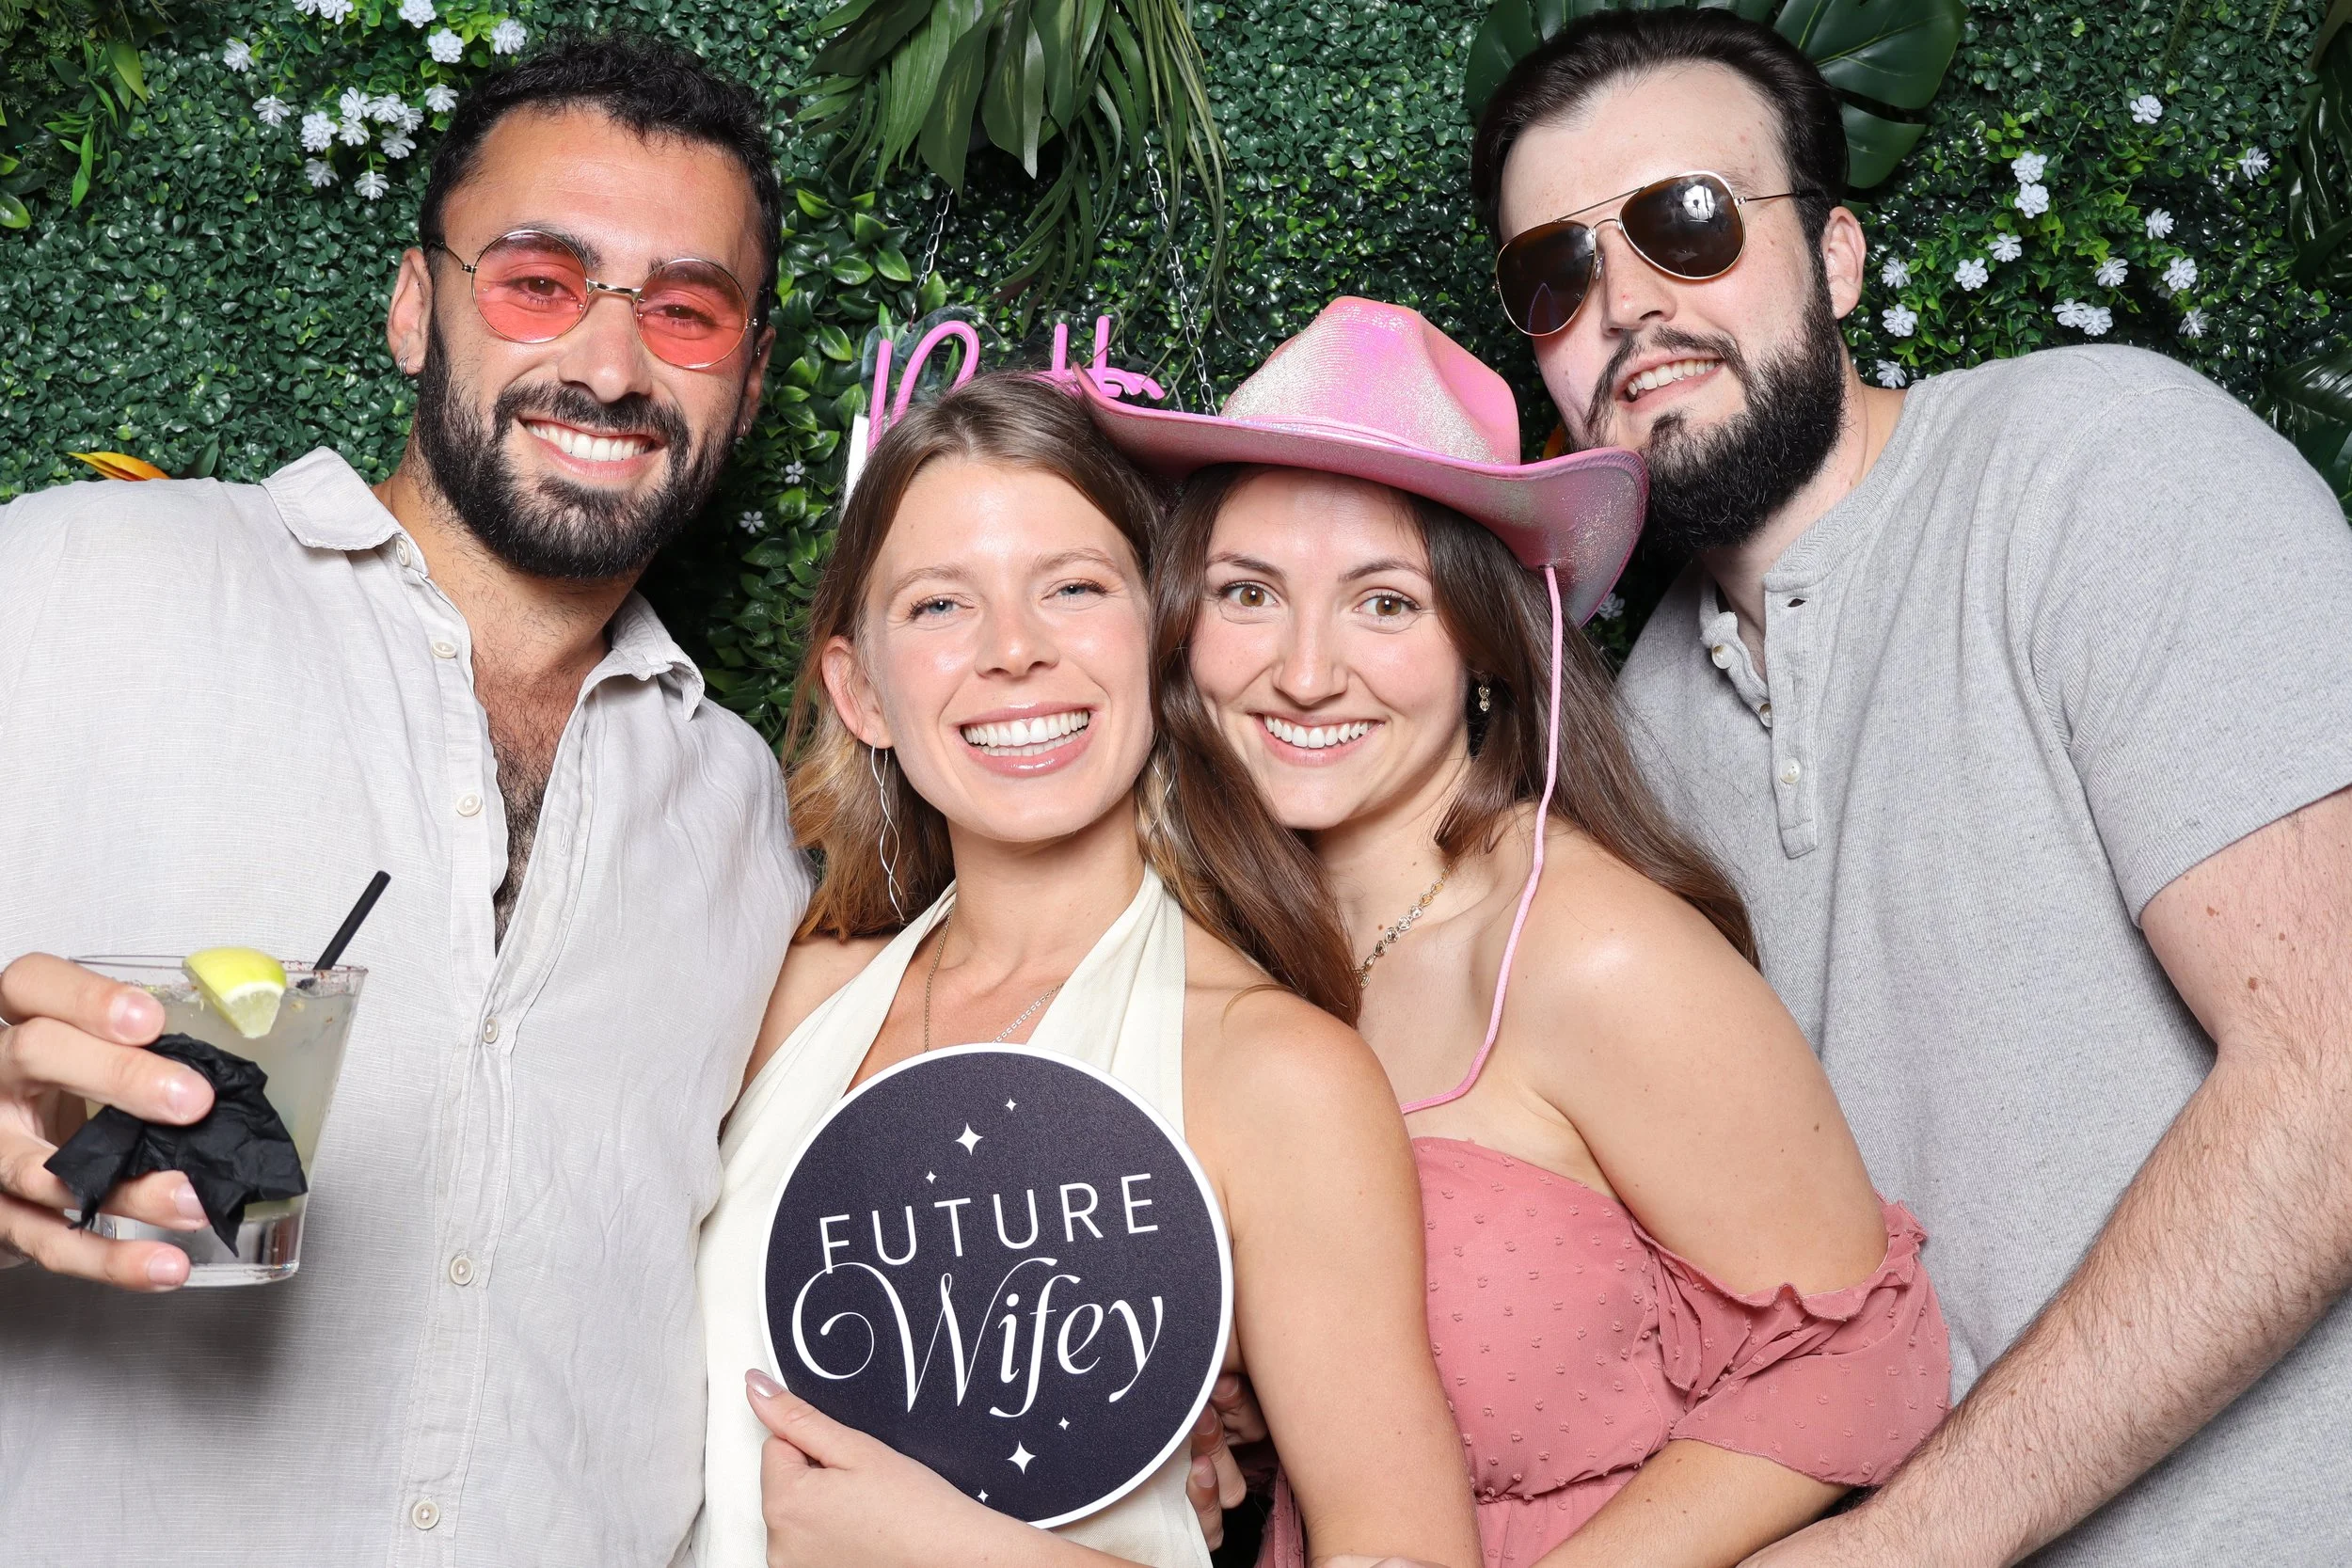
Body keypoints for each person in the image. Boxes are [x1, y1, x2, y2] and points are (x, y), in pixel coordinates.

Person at [1474, 11, 2352, 1566]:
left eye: (1686, 223)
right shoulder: (1629, 751)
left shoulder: (2095, 468)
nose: (1625, 309)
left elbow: (2335, 1074)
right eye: (1559, 272)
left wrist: (1910, 1544)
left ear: (1839, 258)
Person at [0, 36, 814, 1564]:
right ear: (411, 305)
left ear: (749, 383)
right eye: (535, 281)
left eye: (688, 313)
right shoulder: (65, 585)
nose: (613, 364)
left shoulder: (744, 819)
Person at [1082, 293, 1951, 1568]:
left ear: (1487, 643)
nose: (1307, 669)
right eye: (1249, 591)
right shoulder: (1230, 939)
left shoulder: (1583, 948)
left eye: (1385, 603)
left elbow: (1864, 1357)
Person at [695, 371, 1484, 1568]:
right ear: (861, 691)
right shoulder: (796, 998)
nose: (1014, 651)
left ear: (1159, 640)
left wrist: (959, 1548)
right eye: (940, 606)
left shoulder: (1274, 1070)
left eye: (1071, 587)